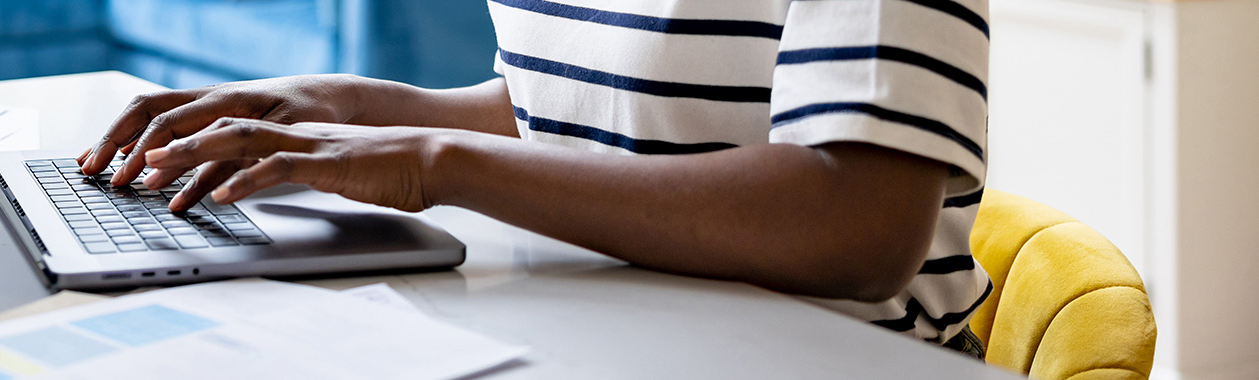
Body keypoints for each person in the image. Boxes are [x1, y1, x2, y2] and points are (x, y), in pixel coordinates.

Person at [78, 0, 991, 354]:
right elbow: (577, 114)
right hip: (612, 330)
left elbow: (857, 224)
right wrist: (351, 106)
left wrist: (434, 164)